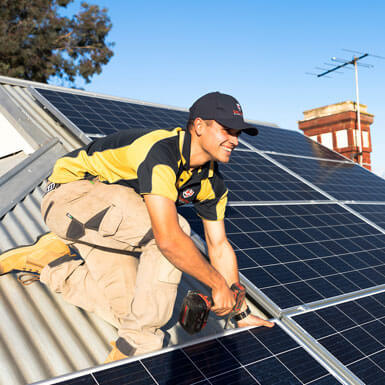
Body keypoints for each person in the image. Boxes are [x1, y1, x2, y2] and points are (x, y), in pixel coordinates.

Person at [0, 92, 274, 362]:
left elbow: (219, 245)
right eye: (227, 130)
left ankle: (50, 262)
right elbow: (167, 239)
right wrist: (217, 284)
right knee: (172, 233)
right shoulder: (162, 150)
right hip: (67, 199)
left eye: (239, 133)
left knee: (133, 312)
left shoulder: (212, 183)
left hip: (104, 224)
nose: (235, 141)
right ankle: (138, 347)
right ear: (200, 126)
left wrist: (239, 310)